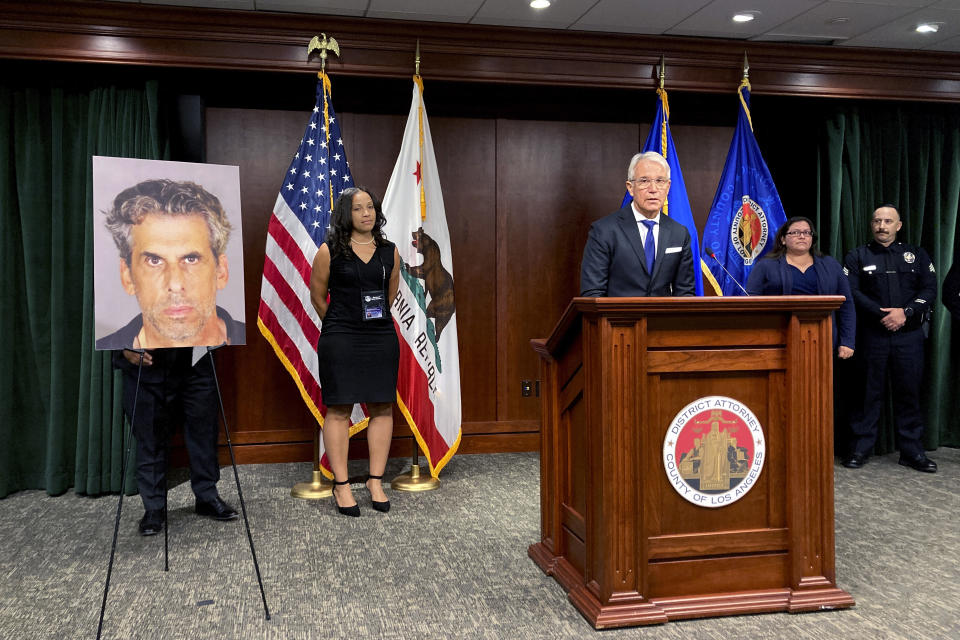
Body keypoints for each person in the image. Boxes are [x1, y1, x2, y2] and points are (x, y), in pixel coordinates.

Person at [309, 187, 401, 516]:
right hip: (341, 337)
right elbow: (317, 297)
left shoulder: (390, 251)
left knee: (382, 407)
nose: (367, 213)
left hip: (380, 337)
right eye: (358, 208)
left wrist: (370, 323)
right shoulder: (329, 250)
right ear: (346, 214)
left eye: (371, 207)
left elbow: (389, 295)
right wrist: (341, 323)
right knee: (338, 409)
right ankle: (342, 485)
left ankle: (375, 481)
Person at [96, 179, 245, 350]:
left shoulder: (264, 344)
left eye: (191, 259)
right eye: (154, 261)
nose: (175, 284)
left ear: (221, 272)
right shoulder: (103, 364)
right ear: (127, 276)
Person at [842, 205, 937, 472]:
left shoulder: (916, 254)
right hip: (872, 335)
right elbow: (851, 291)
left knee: (909, 392)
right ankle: (860, 449)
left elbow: (929, 288)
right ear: (871, 225)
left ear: (899, 225)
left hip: (909, 336)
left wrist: (905, 313)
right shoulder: (857, 255)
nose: (881, 226)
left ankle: (912, 452)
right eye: (877, 221)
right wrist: (882, 314)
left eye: (887, 221)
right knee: (867, 394)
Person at [115, 348, 238, 535]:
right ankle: (153, 507)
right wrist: (123, 347)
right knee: (150, 436)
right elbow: (110, 319)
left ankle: (207, 496)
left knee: (204, 432)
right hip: (147, 364)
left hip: (196, 358)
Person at [580, 151, 695, 297]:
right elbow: (592, 293)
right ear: (630, 187)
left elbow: (686, 293)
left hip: (662, 319)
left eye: (660, 181)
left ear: (668, 186)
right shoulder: (604, 231)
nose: (653, 189)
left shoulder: (679, 233)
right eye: (644, 181)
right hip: (617, 319)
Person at [746, 216, 855, 359]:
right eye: (795, 232)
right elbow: (751, 303)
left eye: (807, 233)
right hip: (779, 339)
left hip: (824, 339)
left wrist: (847, 341)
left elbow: (846, 304)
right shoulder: (765, 265)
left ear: (812, 239)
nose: (802, 236)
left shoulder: (830, 265)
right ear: (783, 239)